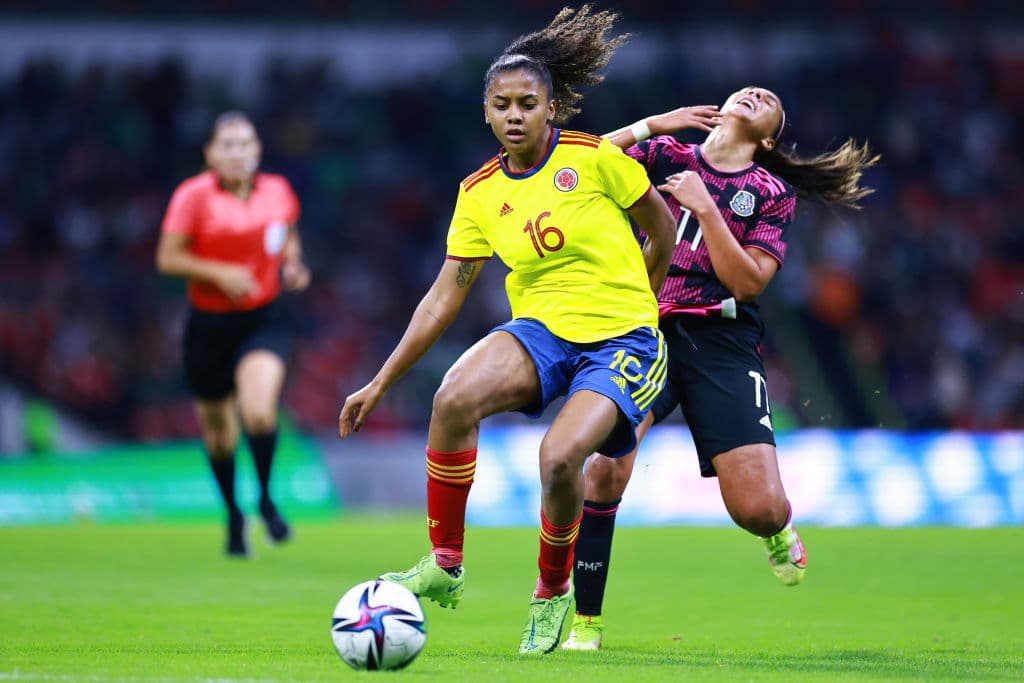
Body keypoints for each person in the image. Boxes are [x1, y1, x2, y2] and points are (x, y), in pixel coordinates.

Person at [337, 5, 676, 655]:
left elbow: (660, 229)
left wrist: (643, 302)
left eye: (528, 103)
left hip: (622, 341)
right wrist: (381, 380)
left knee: (559, 457)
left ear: (552, 110)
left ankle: (551, 593)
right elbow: (442, 298)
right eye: (502, 104)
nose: (515, 114)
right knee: (452, 397)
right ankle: (445, 562)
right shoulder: (479, 193)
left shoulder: (596, 159)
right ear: (487, 114)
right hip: (542, 333)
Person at [561, 87, 879, 650]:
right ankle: (586, 622)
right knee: (605, 469)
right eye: (749, 90)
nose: (756, 93)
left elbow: (748, 282)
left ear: (769, 139)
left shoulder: (770, 192)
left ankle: (779, 528)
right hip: (643, 332)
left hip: (722, 340)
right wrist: (652, 123)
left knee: (757, 509)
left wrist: (705, 207)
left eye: (770, 100)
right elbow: (573, 169)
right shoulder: (665, 155)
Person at [156, 111, 311, 558]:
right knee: (220, 436)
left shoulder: (277, 190)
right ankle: (233, 515)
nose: (238, 153)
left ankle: (265, 500)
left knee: (258, 412)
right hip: (209, 326)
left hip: (263, 317)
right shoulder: (192, 196)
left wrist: (293, 265)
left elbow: (287, 235)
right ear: (210, 153)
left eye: (245, 143)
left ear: (257, 149)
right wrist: (219, 272)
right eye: (227, 145)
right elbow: (168, 258)